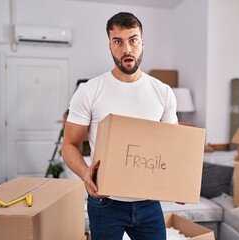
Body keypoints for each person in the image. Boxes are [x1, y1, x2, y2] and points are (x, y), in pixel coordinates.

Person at [61, 12, 178, 240]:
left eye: (133, 40)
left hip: (148, 203)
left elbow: (171, 147)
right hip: (105, 203)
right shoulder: (89, 91)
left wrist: (177, 184)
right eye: (118, 41)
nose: (127, 49)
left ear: (142, 43)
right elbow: (69, 145)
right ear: (110, 45)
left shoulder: (163, 92)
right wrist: (86, 173)